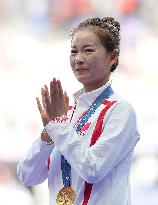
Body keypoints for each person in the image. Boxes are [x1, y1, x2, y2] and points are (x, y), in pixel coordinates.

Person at [17, 17, 140, 205]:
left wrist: (59, 127)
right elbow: (27, 176)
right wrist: (48, 135)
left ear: (113, 57)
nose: (79, 58)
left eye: (88, 50)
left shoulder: (120, 111)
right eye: (74, 51)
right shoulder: (66, 115)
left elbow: (93, 169)